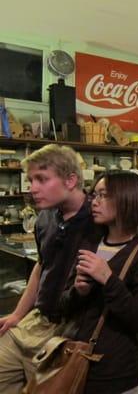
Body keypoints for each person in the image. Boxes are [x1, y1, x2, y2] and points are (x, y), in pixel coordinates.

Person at [0, 144, 102, 394]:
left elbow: (137, 250)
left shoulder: (100, 218)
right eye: (31, 179)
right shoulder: (44, 217)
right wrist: (17, 314)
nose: (32, 188)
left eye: (42, 179)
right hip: (35, 321)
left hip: (68, 333)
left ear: (71, 180)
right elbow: (42, 265)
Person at [63, 171, 138, 393]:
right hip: (76, 363)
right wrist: (79, 292)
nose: (94, 202)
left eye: (103, 195)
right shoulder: (90, 243)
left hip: (115, 375)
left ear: (126, 199)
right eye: (94, 195)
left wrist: (108, 279)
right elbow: (64, 306)